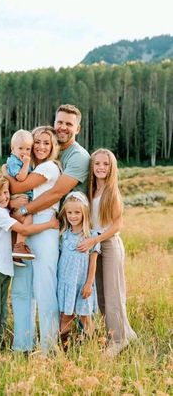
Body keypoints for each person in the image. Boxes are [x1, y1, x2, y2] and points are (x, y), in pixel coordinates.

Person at [0, 172, 59, 352]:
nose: (3, 197)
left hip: (3, 269)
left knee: (2, 315)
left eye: (5, 193)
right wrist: (49, 225)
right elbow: (24, 229)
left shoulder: (3, 209)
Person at [5, 126, 61, 354]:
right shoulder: (31, 167)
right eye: (36, 142)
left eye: (46, 142)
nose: (40, 146)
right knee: (21, 289)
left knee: (45, 288)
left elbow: (18, 186)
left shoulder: (49, 167)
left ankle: (48, 348)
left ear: (53, 147)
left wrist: (4, 171)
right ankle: (22, 345)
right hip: (24, 229)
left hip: (45, 228)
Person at [77, 148, 137, 357]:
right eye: (97, 164)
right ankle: (126, 332)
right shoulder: (91, 190)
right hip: (96, 247)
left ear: (112, 168)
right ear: (92, 167)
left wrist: (95, 240)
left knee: (113, 294)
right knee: (102, 295)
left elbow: (116, 225)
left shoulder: (112, 192)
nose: (101, 168)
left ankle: (118, 340)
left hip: (109, 245)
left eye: (106, 164)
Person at [7, 104, 91, 221]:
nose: (63, 127)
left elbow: (56, 193)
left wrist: (22, 211)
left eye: (69, 124)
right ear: (54, 123)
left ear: (77, 129)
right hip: (48, 219)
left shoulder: (79, 157)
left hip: (70, 223)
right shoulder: (47, 151)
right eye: (60, 122)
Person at [57, 191, 100, 352]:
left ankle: (91, 348)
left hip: (82, 284)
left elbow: (93, 263)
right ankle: (64, 350)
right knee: (66, 316)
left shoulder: (91, 236)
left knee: (84, 316)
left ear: (84, 213)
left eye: (77, 212)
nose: (73, 216)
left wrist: (89, 284)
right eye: (69, 212)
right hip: (66, 283)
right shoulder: (63, 235)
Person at [6, 129, 34, 267]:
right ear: (13, 149)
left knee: (20, 223)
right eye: (21, 148)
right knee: (27, 218)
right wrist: (27, 163)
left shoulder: (19, 160)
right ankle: (19, 247)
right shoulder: (14, 162)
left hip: (21, 198)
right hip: (19, 198)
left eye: (28, 149)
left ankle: (16, 252)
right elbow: (21, 177)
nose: (24, 152)